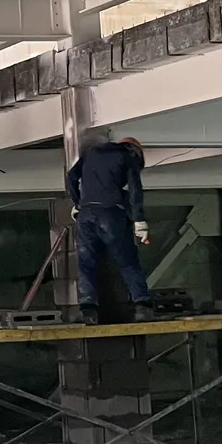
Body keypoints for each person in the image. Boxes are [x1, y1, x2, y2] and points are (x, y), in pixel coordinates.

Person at [65, 134, 151, 323]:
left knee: (86, 263)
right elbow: (135, 191)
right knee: (128, 261)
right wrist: (139, 221)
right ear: (135, 151)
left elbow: (71, 177)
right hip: (111, 214)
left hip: (86, 215)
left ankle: (88, 311)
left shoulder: (91, 153)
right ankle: (142, 306)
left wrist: (78, 203)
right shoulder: (128, 156)